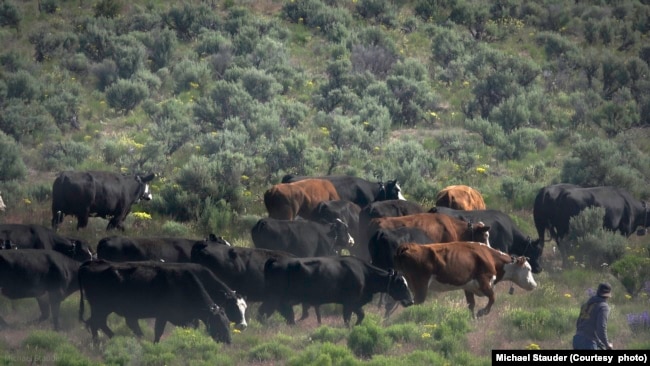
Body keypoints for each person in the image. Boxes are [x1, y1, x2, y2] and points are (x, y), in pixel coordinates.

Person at [573, 283, 614, 350]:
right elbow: (601, 328)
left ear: (598, 292)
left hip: (577, 339)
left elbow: (579, 324)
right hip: (588, 343)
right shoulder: (603, 306)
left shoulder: (585, 305)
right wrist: (607, 345)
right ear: (608, 296)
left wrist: (599, 343)